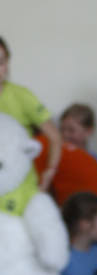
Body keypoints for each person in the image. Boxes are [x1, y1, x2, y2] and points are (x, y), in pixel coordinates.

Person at [0, 36, 61, 193]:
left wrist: (49, 174)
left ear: (7, 64)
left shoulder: (22, 96)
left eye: (0, 62)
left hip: (19, 185)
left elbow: (55, 137)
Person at [59, 103, 97, 185]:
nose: (65, 135)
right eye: (62, 129)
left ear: (88, 131)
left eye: (71, 130)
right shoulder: (56, 159)